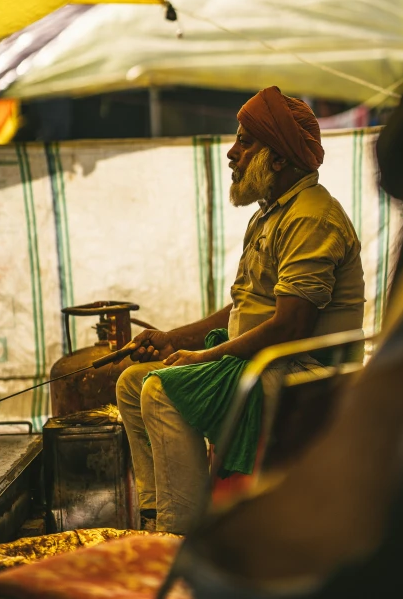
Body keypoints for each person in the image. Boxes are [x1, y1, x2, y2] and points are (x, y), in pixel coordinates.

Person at [116, 86, 365, 534]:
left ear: (278, 158)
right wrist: (174, 339)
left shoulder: (311, 216)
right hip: (266, 363)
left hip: (306, 376)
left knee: (162, 392)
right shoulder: (272, 213)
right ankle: (153, 521)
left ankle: (186, 537)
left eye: (246, 142)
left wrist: (205, 357)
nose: (232, 154)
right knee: (133, 383)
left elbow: (290, 326)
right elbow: (245, 306)